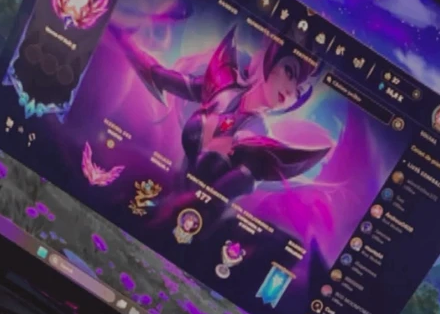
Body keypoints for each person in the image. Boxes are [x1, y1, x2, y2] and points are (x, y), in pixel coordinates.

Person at [112, 25, 330, 201]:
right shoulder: (224, 86)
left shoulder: (257, 134)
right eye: (290, 72)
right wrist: (122, 38)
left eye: (298, 92)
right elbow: (159, 76)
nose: (290, 92)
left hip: (189, 218)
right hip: (159, 190)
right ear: (271, 57)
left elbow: (231, 188)